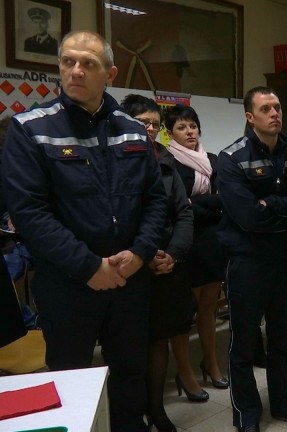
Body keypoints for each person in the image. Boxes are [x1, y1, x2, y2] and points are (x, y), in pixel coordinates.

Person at [2, 31, 166, 430]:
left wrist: (140, 253)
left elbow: (156, 200)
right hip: (68, 285)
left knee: (130, 377)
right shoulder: (30, 129)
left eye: (88, 63)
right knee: (70, 383)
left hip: (129, 280)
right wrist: (90, 266)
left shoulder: (131, 128)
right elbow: (29, 212)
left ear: (110, 72)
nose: (76, 70)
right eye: (68, 62)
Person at [217, 86, 287, 432]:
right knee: (245, 343)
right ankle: (246, 414)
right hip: (248, 263)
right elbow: (248, 217)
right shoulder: (231, 158)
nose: (275, 113)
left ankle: (284, 405)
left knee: (283, 339)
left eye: (277, 107)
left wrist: (273, 204)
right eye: (266, 109)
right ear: (250, 117)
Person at [122, 94, 195, 431]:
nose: (150, 128)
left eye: (154, 122)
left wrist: (173, 254)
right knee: (128, 344)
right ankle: (130, 412)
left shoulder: (165, 160)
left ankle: (156, 407)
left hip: (167, 265)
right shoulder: (118, 160)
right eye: (142, 123)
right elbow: (119, 219)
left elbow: (183, 212)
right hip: (131, 267)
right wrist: (145, 255)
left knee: (159, 339)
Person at [164, 104, 228, 402]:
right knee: (182, 311)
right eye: (181, 127)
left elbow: (223, 199)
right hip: (184, 242)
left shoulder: (212, 159)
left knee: (209, 306)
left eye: (193, 126)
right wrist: (205, 205)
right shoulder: (169, 163)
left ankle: (211, 363)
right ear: (170, 133)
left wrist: (196, 205)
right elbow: (177, 208)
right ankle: (185, 371)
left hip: (212, 241)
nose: (189, 132)